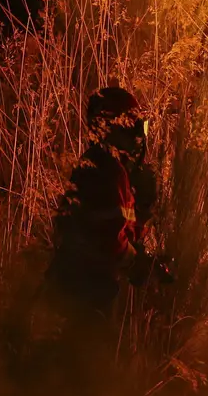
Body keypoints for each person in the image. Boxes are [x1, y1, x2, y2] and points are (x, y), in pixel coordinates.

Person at [46, 85, 168, 323]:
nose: (139, 135)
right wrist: (138, 264)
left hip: (80, 291)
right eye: (134, 124)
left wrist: (142, 209)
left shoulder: (104, 167)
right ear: (114, 126)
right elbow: (108, 240)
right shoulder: (106, 170)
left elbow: (121, 232)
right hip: (83, 296)